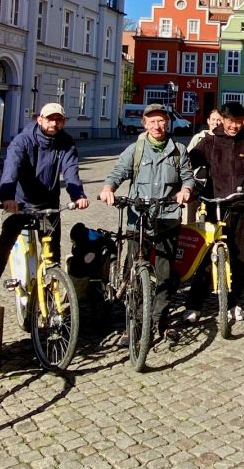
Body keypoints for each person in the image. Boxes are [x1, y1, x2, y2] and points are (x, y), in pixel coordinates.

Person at [0, 103, 89, 307]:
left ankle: (51, 285)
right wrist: (7, 197)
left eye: (58, 120)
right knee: (6, 239)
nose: (54, 123)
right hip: (20, 202)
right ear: (39, 119)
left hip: (48, 202)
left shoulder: (66, 142)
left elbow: (70, 171)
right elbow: (11, 169)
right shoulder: (22, 141)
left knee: (51, 248)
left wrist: (78, 195)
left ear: (63, 122)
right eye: (49, 119)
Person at [98, 104, 196, 339]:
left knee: (165, 273)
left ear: (167, 123)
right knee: (134, 270)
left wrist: (185, 190)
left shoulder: (178, 150)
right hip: (138, 217)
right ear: (144, 124)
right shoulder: (136, 149)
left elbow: (188, 177)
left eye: (161, 121)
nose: (157, 126)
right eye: (152, 121)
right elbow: (118, 172)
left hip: (167, 216)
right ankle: (135, 323)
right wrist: (108, 188)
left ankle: (160, 321)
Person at [185, 101, 244, 323]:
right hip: (214, 205)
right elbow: (188, 163)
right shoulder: (209, 142)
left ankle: (234, 302)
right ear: (223, 119)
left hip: (239, 207)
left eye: (239, 123)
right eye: (231, 122)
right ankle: (194, 305)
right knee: (205, 256)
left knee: (239, 257)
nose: (234, 127)